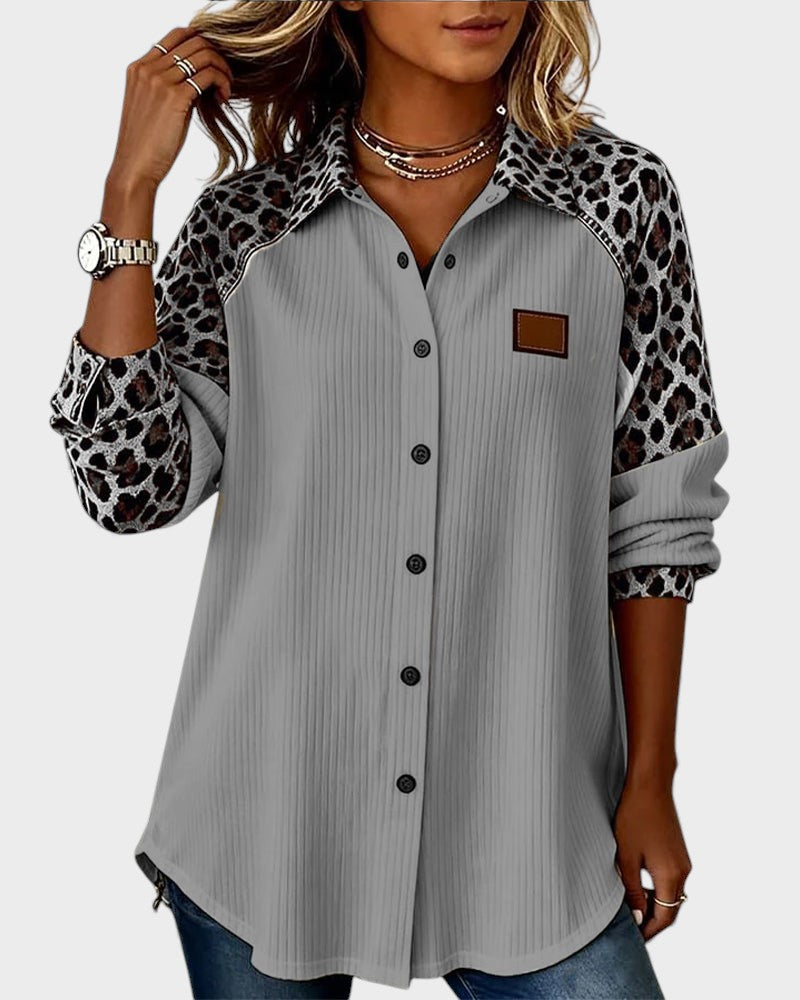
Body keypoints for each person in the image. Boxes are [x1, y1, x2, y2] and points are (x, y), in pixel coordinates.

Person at [48, 2, 730, 998]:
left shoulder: (619, 201)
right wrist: (128, 194)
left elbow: (658, 514)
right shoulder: (248, 225)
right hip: (268, 820)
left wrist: (650, 780)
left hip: (529, 830)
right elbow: (127, 488)